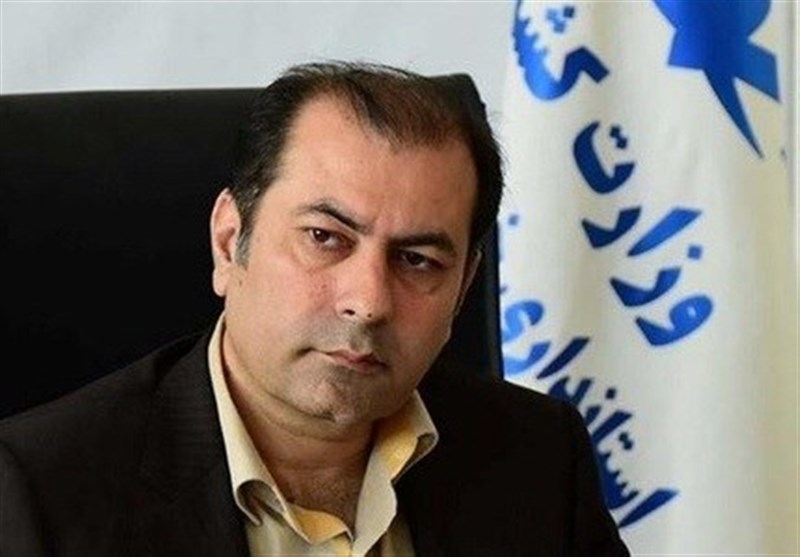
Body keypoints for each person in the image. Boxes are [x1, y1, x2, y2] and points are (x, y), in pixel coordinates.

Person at [0, 62, 629, 556]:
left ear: (464, 288)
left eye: (417, 260)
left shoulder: (540, 460)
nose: (368, 302)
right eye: (325, 238)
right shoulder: (37, 493)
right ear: (229, 241)